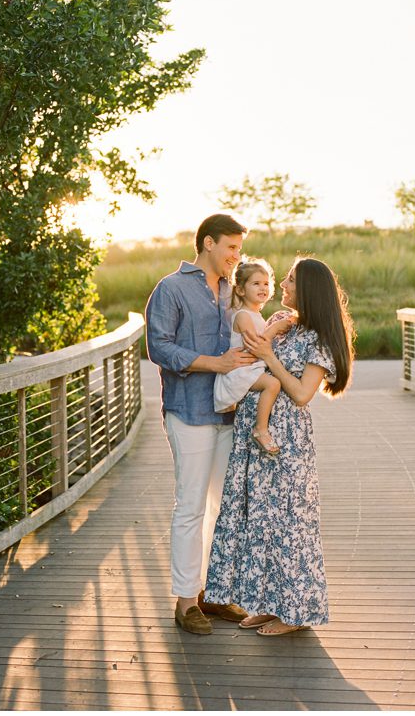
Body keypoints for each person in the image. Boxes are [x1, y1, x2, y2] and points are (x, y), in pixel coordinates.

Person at [204, 257, 355, 636]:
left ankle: (296, 614)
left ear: (307, 289)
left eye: (288, 280)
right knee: (262, 522)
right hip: (255, 438)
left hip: (285, 440)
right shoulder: (287, 327)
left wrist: (269, 357)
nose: (281, 287)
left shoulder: (315, 338)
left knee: (290, 523)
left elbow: (303, 394)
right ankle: (272, 605)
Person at [144, 213, 256, 635]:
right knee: (190, 508)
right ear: (208, 243)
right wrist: (217, 363)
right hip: (188, 411)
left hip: (228, 414)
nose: (235, 257)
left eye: (239, 250)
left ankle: (214, 593)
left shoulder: (233, 290)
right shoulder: (171, 289)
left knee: (221, 508)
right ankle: (186, 602)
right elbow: (160, 348)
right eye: (231, 247)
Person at [212, 257, 295, 455]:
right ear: (240, 290)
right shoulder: (242, 316)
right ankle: (260, 429)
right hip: (241, 370)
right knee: (273, 384)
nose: (262, 288)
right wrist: (274, 329)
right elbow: (255, 347)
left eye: (266, 284)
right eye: (256, 284)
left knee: (273, 383)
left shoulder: (256, 315)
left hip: (251, 368)